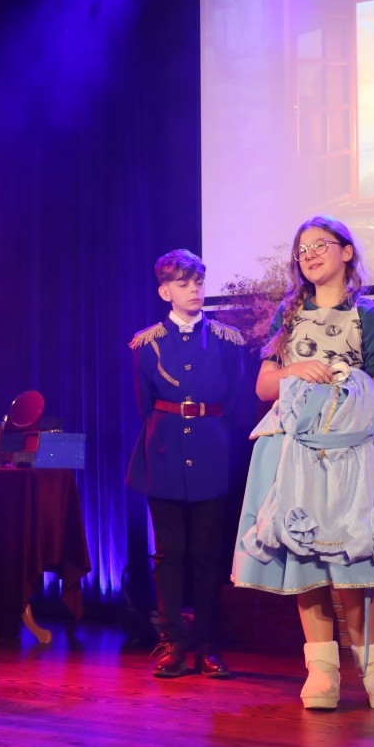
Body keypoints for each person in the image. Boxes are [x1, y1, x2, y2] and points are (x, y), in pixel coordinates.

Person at [232, 216, 374, 710]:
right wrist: (295, 369)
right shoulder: (289, 314)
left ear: (346, 251)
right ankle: (321, 670)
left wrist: (338, 378)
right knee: (305, 552)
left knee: (355, 553)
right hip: (296, 446)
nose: (310, 254)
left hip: (353, 447)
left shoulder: (368, 314)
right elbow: (264, 386)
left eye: (321, 245)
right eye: (302, 249)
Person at [127, 249, 251, 679]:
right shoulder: (146, 343)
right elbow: (144, 405)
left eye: (198, 282)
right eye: (183, 283)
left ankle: (209, 645)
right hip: (162, 454)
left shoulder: (226, 340)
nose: (194, 290)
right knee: (169, 555)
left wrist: (216, 440)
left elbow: (235, 401)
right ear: (166, 292)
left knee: (207, 554)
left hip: (212, 452)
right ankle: (174, 643)